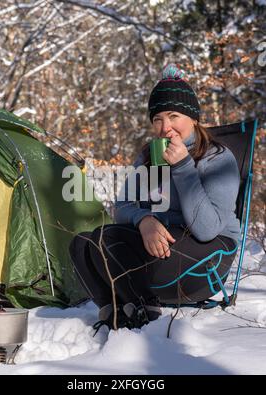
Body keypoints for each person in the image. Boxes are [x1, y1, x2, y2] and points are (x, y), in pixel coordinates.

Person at [69, 63, 240, 333]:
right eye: (157, 119)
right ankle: (113, 312)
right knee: (82, 242)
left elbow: (207, 229)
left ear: (193, 118)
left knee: (107, 238)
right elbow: (122, 207)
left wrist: (183, 167)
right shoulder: (149, 157)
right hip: (164, 248)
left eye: (174, 116)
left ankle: (145, 310)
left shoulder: (217, 159)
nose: (165, 127)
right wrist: (144, 220)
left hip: (208, 258)